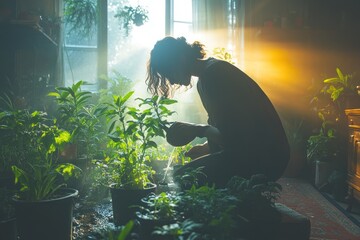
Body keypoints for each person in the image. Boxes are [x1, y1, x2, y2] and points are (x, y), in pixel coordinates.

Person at [146, 36, 289, 187]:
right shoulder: (207, 76)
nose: (171, 81)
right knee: (188, 174)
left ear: (181, 60)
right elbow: (229, 129)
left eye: (169, 73)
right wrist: (206, 148)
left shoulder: (215, 76)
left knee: (185, 177)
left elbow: (233, 139)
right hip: (259, 152)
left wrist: (197, 129)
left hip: (267, 158)